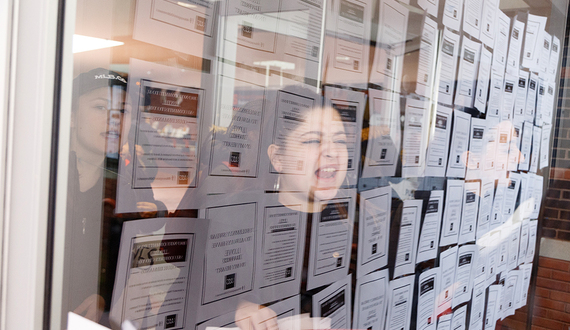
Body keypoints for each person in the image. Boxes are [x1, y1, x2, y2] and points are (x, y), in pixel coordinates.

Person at [64, 68, 165, 326]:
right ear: (72, 116)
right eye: (100, 107)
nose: (114, 120)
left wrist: (103, 297)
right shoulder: (44, 179)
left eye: (123, 111)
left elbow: (131, 257)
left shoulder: (128, 181)